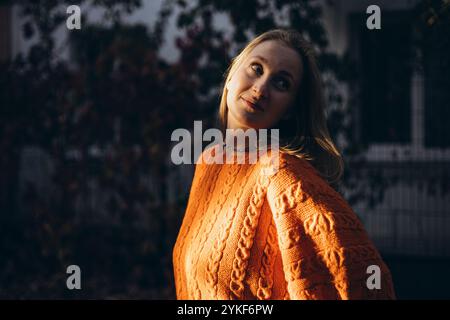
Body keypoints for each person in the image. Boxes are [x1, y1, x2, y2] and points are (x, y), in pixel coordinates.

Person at [172, 29, 396, 300]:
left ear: (289, 109)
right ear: (231, 75)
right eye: (256, 68)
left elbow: (364, 276)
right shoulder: (210, 161)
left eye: (281, 83)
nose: (261, 88)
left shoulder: (283, 174)